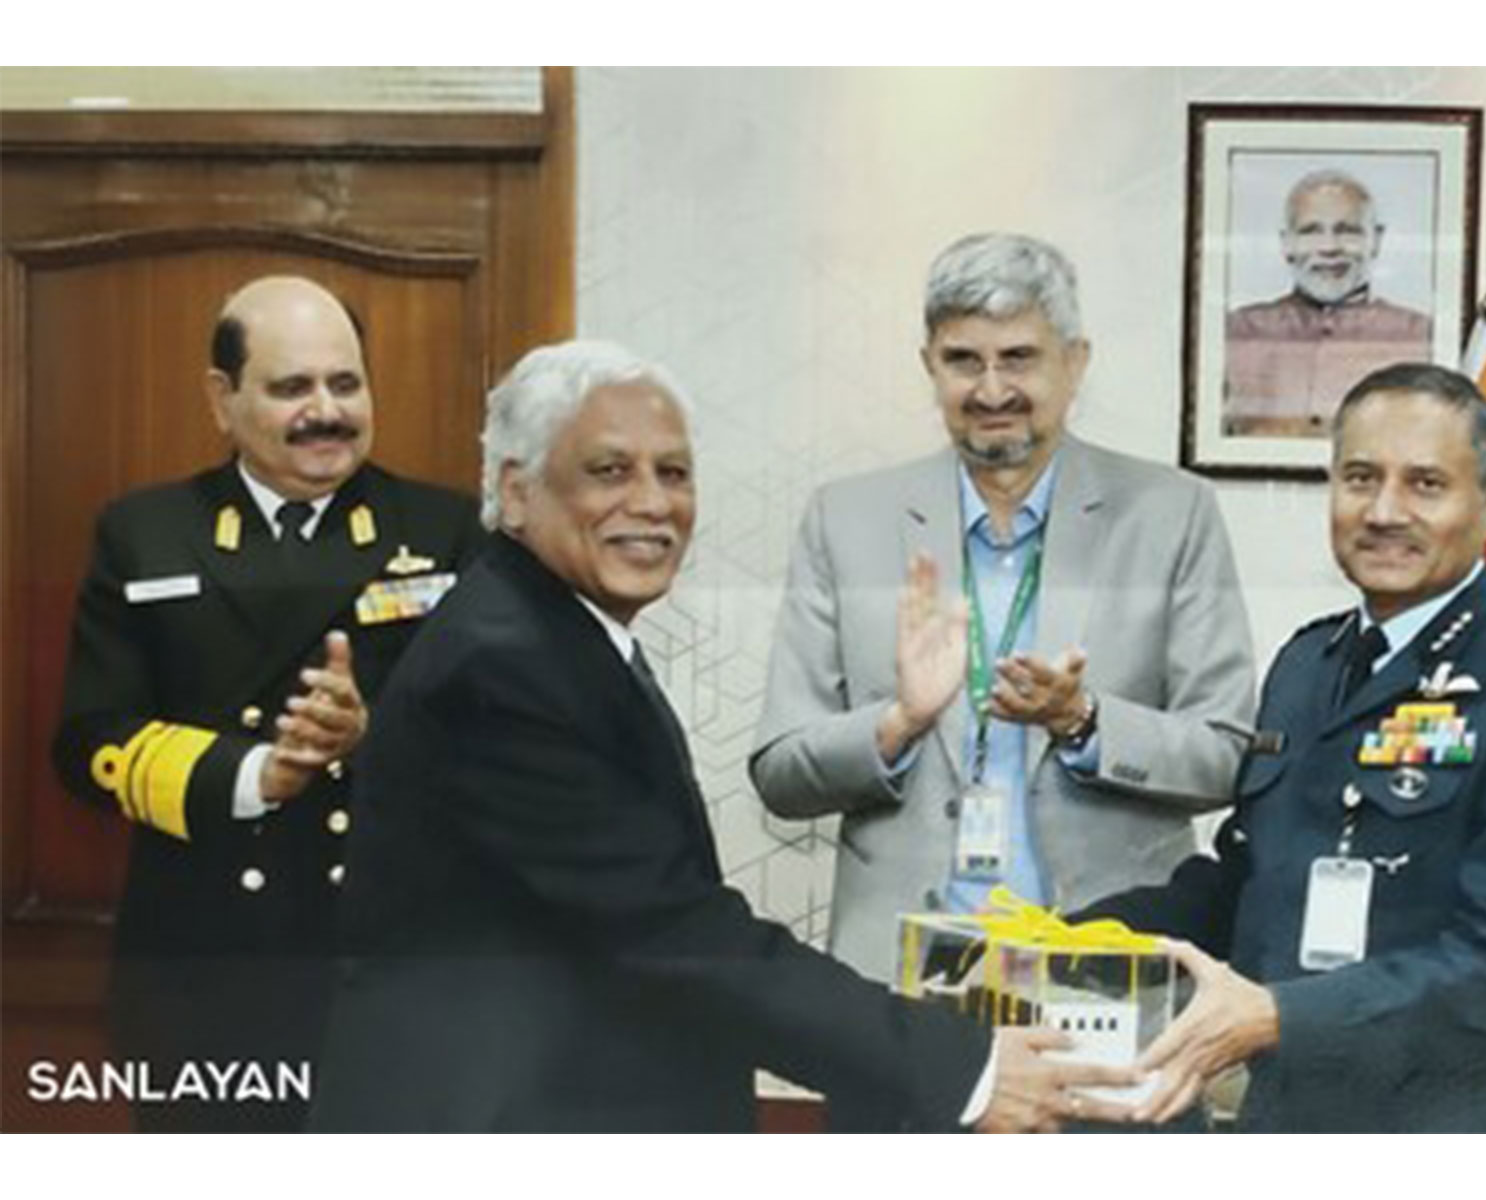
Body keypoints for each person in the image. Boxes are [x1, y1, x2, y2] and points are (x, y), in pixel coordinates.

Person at [308, 339, 1137, 1132]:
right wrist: (963, 1069)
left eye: (673, 472)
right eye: (609, 471)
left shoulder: (553, 630)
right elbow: (674, 932)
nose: (653, 502)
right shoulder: (505, 664)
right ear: (517, 491)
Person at [1080, 363, 1486, 1132]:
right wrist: (1072, 936)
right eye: (1360, 478)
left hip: (1441, 1133)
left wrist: (1279, 1016)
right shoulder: (1307, 665)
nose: (1385, 510)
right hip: (1282, 1118)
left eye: (1426, 484)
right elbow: (1250, 884)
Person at [750, 232, 1255, 990]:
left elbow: (1225, 755)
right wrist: (898, 724)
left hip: (1099, 974)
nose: (991, 389)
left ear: (1075, 363)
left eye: (1019, 357)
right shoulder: (846, 520)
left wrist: (1084, 721)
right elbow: (781, 773)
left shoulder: (1171, 515)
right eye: (963, 360)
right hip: (899, 985)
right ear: (929, 365)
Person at [52, 276, 483, 1132]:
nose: (326, 410)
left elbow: (504, 745)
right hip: (202, 968)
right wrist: (257, 774)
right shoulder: (147, 533)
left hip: (388, 967)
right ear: (223, 399)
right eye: (292, 387)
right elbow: (88, 741)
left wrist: (371, 738)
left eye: (346, 383)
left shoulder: (445, 532)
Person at [1225, 169, 1433, 437]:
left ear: (1376, 240)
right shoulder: (1238, 331)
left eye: (1347, 231)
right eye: (1311, 231)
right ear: (1287, 243)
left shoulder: (1419, 336)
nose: (1329, 247)